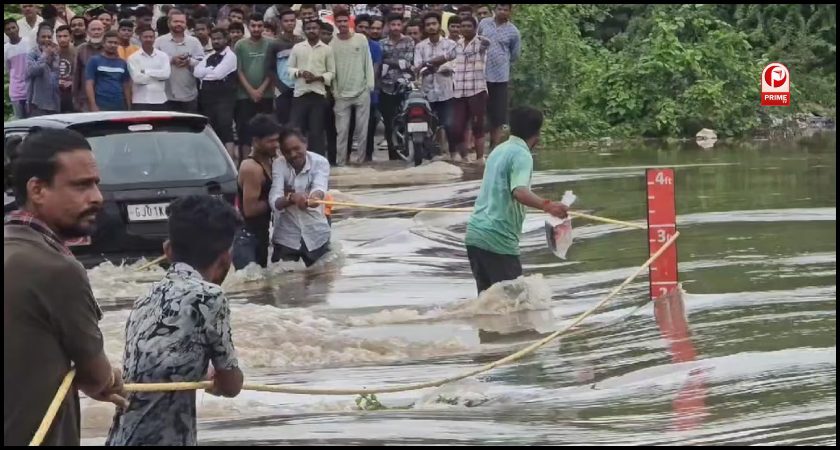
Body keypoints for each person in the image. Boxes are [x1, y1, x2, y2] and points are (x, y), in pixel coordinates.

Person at [5, 128, 126, 446]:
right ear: (38, 189)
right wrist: (111, 378)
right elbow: (96, 376)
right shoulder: (56, 269)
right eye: (81, 186)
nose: (97, 197)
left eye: (96, 183)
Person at [105, 195, 244, 446]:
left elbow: (163, 361)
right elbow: (232, 384)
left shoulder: (145, 298)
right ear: (226, 259)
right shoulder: (210, 297)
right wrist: (219, 380)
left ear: (168, 250)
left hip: (121, 438)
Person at [464, 107, 570, 294]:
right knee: (516, 305)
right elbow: (519, 191)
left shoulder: (499, 150)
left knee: (490, 307)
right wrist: (549, 206)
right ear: (537, 134)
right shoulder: (522, 155)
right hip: (497, 240)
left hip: (475, 235)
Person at [269, 127, 332, 267]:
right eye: (287, 151)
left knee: (321, 282)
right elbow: (274, 200)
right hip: (286, 237)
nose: (293, 154)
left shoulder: (320, 162)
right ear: (281, 152)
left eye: (297, 148)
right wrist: (291, 198)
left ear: (306, 144)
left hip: (317, 234)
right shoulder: (278, 164)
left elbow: (320, 187)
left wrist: (314, 198)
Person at [232, 114, 279, 269]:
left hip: (261, 235)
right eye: (270, 141)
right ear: (256, 141)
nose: (275, 145)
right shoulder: (251, 168)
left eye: (276, 140)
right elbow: (250, 210)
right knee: (250, 285)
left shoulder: (270, 161)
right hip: (246, 238)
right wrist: (280, 199)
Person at [330, 9, 375, 166]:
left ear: (349, 21)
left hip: (362, 91)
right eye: (339, 21)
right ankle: (341, 163)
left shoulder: (361, 39)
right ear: (335, 22)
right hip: (341, 94)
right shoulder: (332, 43)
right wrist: (335, 92)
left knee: (362, 131)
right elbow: (332, 70)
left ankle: (361, 163)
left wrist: (369, 85)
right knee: (341, 132)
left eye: (344, 21)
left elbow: (367, 62)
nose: (342, 24)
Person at [288, 19, 335, 158]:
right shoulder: (297, 48)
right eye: (308, 28)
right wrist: (300, 73)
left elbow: (331, 73)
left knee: (317, 133)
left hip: (318, 96)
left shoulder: (327, 49)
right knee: (296, 131)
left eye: (314, 28)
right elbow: (289, 69)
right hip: (300, 95)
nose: (311, 30)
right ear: (304, 30)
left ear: (319, 30)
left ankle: (318, 163)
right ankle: (297, 161)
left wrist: (317, 78)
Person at [414, 12, 458, 161]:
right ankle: (430, 155)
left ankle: (453, 154)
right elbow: (418, 68)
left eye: (434, 24)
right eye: (428, 25)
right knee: (427, 126)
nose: (431, 27)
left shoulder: (451, 45)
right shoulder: (420, 47)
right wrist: (433, 65)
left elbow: (452, 66)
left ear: (439, 25)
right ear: (425, 28)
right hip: (427, 93)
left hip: (446, 92)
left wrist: (430, 65)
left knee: (449, 124)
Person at [478, 4, 521, 148]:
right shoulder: (484, 23)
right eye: (499, 9)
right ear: (494, 10)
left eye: (505, 9)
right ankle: (477, 145)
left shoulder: (513, 31)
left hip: (500, 76)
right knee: (479, 111)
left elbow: (514, 55)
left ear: (510, 12)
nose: (502, 12)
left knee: (498, 115)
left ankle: (494, 146)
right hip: (480, 74)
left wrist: (502, 60)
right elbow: (475, 41)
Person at [234, 14, 274, 164]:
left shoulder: (271, 44)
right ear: (247, 26)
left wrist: (261, 90)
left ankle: (266, 163)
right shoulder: (240, 45)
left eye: (259, 26)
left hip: (267, 95)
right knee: (244, 131)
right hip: (244, 96)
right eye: (253, 26)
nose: (256, 29)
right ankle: (246, 163)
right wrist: (251, 91)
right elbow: (239, 71)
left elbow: (272, 70)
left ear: (263, 26)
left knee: (267, 131)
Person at [195, 27, 239, 161]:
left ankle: (230, 163)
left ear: (226, 39)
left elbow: (217, 75)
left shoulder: (230, 56)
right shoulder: (209, 56)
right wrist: (209, 70)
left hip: (224, 98)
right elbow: (196, 72)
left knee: (226, 129)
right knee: (211, 130)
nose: (216, 41)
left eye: (219, 38)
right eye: (213, 39)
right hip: (208, 99)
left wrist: (206, 73)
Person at [452, 16, 490, 162]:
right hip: (459, 91)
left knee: (478, 126)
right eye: (463, 26)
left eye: (469, 26)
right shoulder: (458, 44)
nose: (466, 28)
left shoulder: (480, 43)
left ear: (475, 28)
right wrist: (429, 63)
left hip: (477, 90)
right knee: (456, 128)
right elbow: (446, 56)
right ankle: (465, 158)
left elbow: (487, 43)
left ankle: (480, 159)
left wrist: (479, 35)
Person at [380, 13, 415, 161]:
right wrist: (397, 63)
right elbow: (380, 64)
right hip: (386, 87)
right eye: (392, 24)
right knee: (389, 123)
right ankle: (393, 157)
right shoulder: (382, 43)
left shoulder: (409, 41)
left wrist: (388, 62)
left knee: (406, 121)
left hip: (405, 87)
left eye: (398, 25)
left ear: (402, 26)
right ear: (388, 26)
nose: (395, 27)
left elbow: (408, 64)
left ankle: (407, 153)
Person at [155, 12, 205, 113]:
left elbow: (202, 63)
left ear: (186, 24)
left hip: (189, 94)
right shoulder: (159, 41)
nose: (179, 24)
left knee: (189, 127)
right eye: (176, 21)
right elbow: (154, 62)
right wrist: (171, 60)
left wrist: (189, 61)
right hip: (165, 95)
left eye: (182, 22)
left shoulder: (194, 41)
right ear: (169, 23)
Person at [266, 8, 303, 125]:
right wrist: (281, 87)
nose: (290, 23)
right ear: (281, 23)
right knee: (284, 124)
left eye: (292, 20)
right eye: (286, 21)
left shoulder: (301, 42)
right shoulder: (274, 44)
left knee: (299, 124)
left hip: (300, 89)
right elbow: (269, 69)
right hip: (282, 90)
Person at [85, 30, 131, 111]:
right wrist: (93, 104)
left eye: (115, 43)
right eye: (110, 42)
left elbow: (126, 86)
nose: (112, 45)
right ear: (103, 43)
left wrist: (129, 106)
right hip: (101, 104)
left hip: (119, 105)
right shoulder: (94, 60)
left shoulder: (122, 63)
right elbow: (89, 84)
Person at [127, 26, 171, 111]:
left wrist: (146, 71)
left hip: (160, 100)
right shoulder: (133, 58)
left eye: (151, 37)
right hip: (140, 101)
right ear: (140, 38)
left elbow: (166, 75)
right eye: (145, 37)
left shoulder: (163, 56)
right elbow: (137, 79)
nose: (148, 39)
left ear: (154, 38)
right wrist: (158, 77)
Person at [26, 24, 61, 116]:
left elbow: (57, 73)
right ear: (37, 39)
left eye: (49, 37)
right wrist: (44, 56)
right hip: (38, 103)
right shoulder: (32, 54)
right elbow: (31, 71)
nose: (46, 39)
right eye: (43, 37)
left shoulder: (55, 53)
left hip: (54, 102)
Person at [72, 19, 105, 112]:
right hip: (84, 98)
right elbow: (76, 75)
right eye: (93, 29)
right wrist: (75, 97)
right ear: (87, 32)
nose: (96, 32)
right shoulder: (80, 49)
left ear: (104, 31)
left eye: (99, 29)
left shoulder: (109, 49)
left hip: (105, 97)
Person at [4, 19, 32, 119]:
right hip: (16, 91)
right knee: (20, 121)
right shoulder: (5, 49)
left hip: (31, 89)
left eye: (13, 27)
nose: (11, 31)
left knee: (32, 120)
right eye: (8, 29)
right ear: (5, 32)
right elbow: (7, 69)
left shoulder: (28, 42)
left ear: (18, 28)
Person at [55, 25, 76, 112]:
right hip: (56, 95)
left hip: (72, 94)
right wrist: (57, 81)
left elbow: (82, 73)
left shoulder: (77, 51)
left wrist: (72, 81)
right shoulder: (52, 52)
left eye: (65, 36)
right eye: (59, 36)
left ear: (70, 37)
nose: (62, 39)